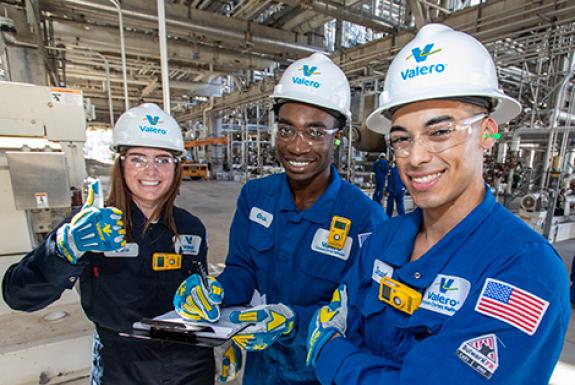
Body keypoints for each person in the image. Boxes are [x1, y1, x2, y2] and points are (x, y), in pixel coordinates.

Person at [306, 24, 571, 384]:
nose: (415, 157)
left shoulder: (525, 271)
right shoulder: (385, 238)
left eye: (440, 132)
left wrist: (331, 353)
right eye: (402, 139)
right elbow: (342, 314)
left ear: (489, 133)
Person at [173, 52, 387, 385]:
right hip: (260, 368)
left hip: (319, 371)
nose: (297, 147)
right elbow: (241, 271)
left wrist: (292, 322)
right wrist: (214, 294)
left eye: (315, 132)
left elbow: (362, 314)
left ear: (340, 134)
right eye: (287, 130)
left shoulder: (365, 218)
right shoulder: (255, 196)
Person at [2, 103, 215, 385]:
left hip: (190, 366)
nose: (151, 170)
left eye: (163, 159)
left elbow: (200, 298)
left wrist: (217, 324)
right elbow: (19, 296)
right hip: (122, 368)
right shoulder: (91, 225)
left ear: (176, 167)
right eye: (138, 158)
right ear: (121, 163)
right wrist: (64, 250)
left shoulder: (191, 228)